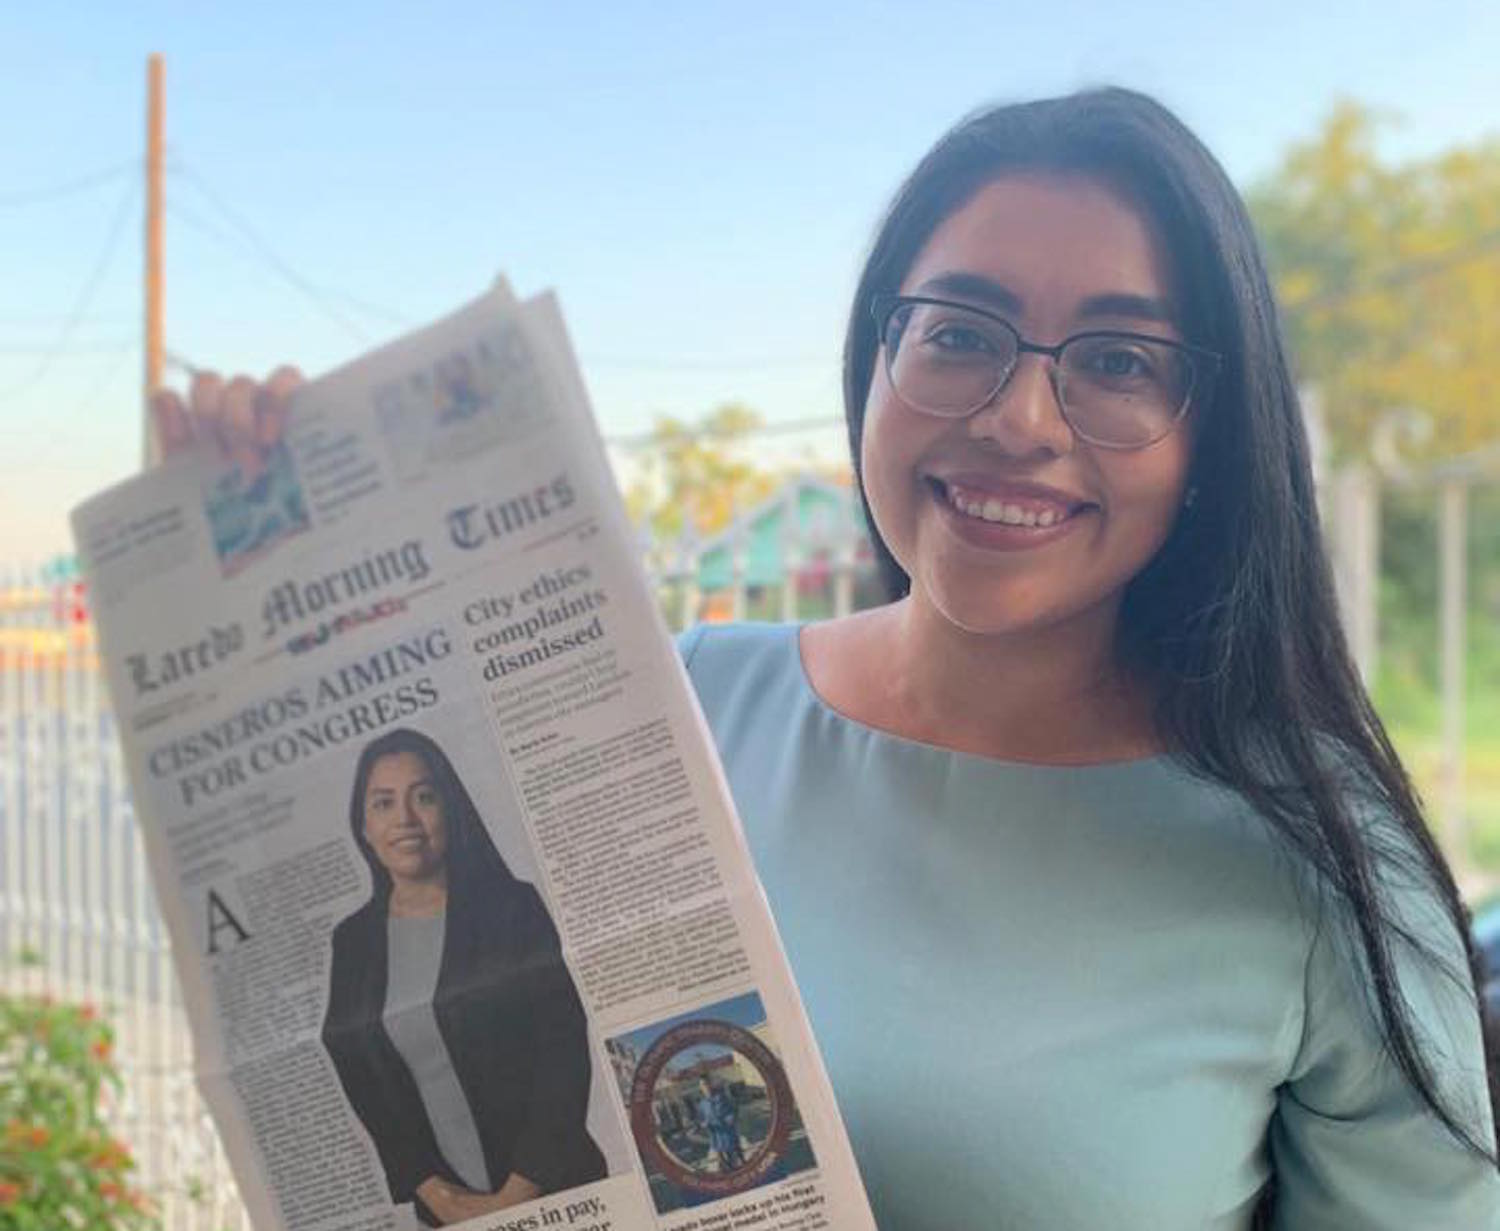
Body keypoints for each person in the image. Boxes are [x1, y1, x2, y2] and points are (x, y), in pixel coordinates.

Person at [153, 86, 1500, 1229]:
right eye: (960, 332)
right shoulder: (673, 701)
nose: (1020, 415)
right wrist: (259, 515)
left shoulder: (1322, 858)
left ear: (1214, 428)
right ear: (875, 358)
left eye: (1118, 359)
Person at [320, 729, 605, 1226]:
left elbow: (563, 1050)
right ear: (362, 826)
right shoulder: (354, 942)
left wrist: (517, 1197)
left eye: (424, 797)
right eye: (383, 803)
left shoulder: (513, 909)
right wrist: (439, 1197)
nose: (405, 820)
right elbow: (361, 1074)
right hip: (448, 1213)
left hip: (559, 1194)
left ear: (450, 809)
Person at [695, 1077, 745, 1172]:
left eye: (707, 1083)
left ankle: (742, 1164)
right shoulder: (702, 1104)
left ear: (711, 1084)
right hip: (715, 1133)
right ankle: (728, 1171)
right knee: (721, 1158)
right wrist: (703, 1124)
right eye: (703, 1085)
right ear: (700, 1088)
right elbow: (701, 1119)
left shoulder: (722, 1097)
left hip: (727, 1129)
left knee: (735, 1151)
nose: (706, 1086)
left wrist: (730, 1118)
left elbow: (733, 1109)